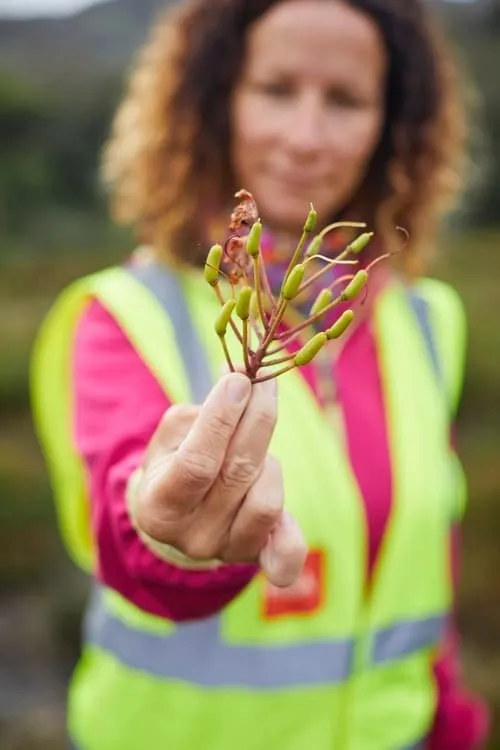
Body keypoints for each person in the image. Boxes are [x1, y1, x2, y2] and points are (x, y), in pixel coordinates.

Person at [30, 1, 489, 748]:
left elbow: (421, 568)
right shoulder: (123, 314)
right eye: (275, 90)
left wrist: (451, 723)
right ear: (216, 103)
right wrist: (172, 537)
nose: (305, 138)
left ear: (390, 126)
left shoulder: (429, 321)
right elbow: (129, 512)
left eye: (344, 101)